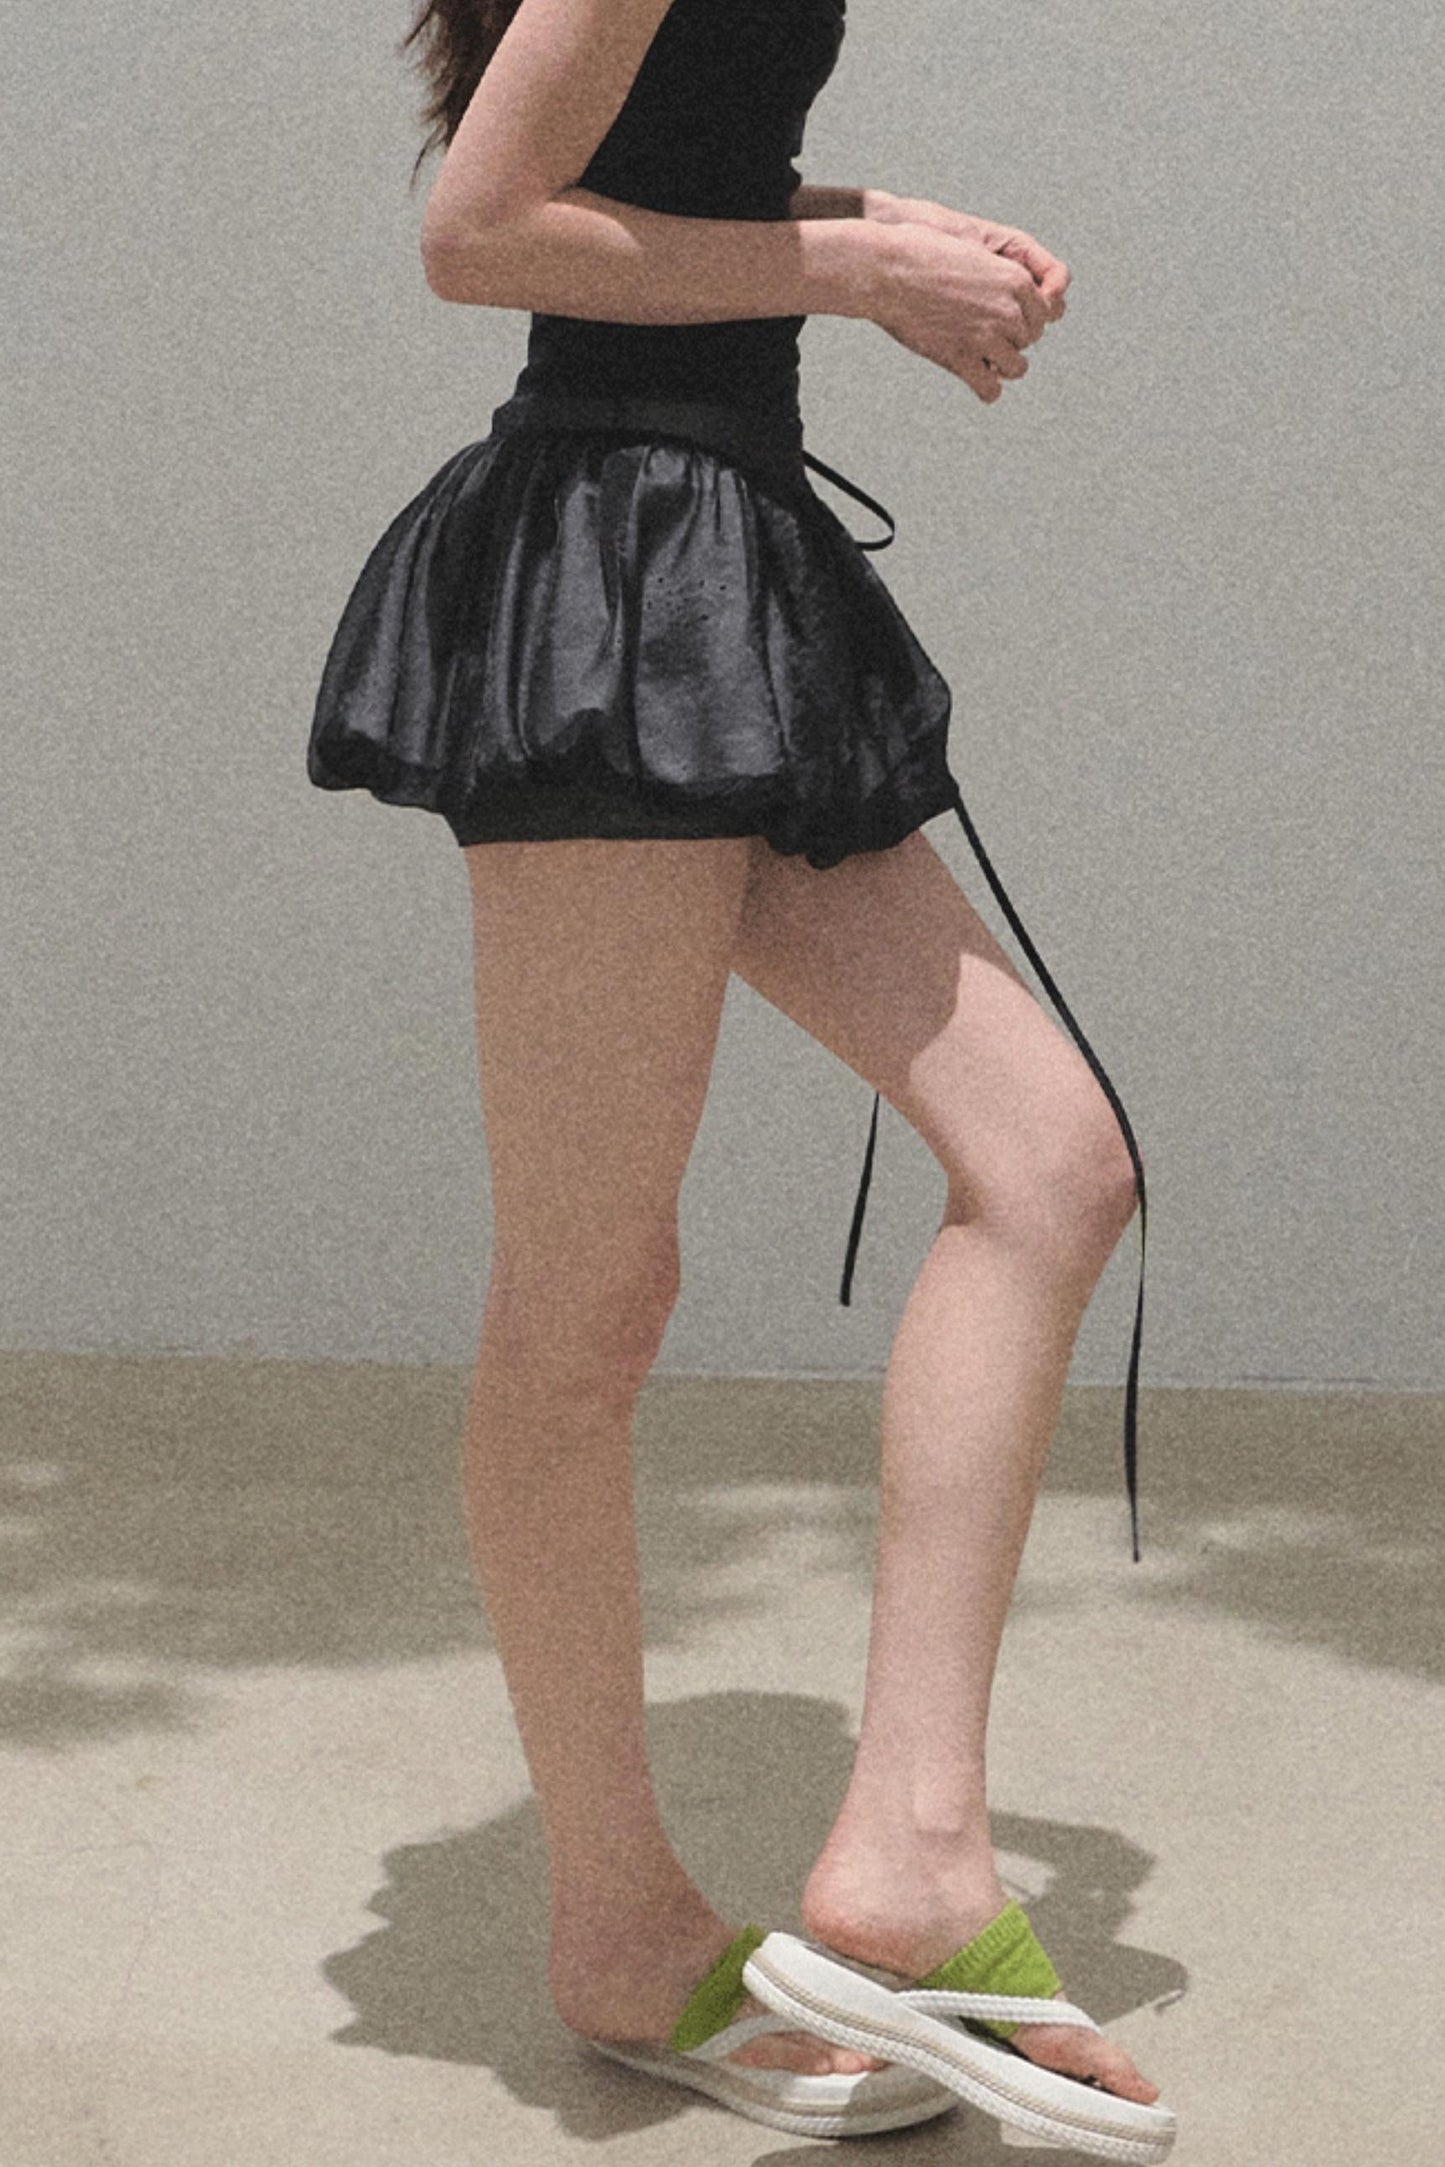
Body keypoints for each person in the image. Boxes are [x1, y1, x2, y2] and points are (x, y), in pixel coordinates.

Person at [306, 0, 1171, 2149]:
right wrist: (850, 266)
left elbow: (649, 170)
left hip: (714, 558)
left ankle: (916, 1859)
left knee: (1051, 1167)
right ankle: (617, 1927)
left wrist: (879, 228)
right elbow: (480, 231)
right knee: (586, 1304)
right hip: (615, 578)